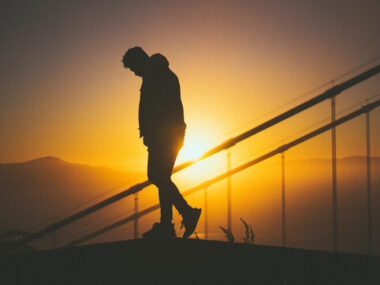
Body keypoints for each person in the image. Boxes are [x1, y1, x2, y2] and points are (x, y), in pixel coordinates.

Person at [122, 47, 201, 238]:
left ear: (140, 60)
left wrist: (153, 133)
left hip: (165, 136)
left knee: (157, 176)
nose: (135, 73)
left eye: (134, 68)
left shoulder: (156, 76)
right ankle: (167, 224)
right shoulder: (158, 73)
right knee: (162, 177)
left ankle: (187, 213)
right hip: (167, 135)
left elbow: (160, 108)